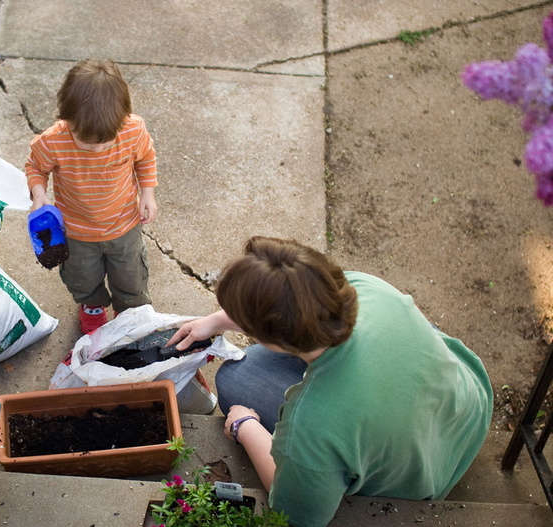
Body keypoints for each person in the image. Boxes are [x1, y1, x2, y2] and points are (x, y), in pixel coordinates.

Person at [167, 236, 492, 527]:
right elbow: (294, 304)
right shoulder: (364, 287)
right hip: (469, 407)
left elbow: (296, 514)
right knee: (246, 371)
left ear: (274, 338)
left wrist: (245, 425)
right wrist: (219, 320)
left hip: (421, 481)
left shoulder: (313, 423)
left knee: (235, 382)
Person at [26, 59, 158, 334]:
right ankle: (93, 306)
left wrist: (148, 192)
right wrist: (39, 194)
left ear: (122, 119)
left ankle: (129, 311)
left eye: (104, 142)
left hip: (124, 225)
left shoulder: (132, 130)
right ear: (67, 118)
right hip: (76, 232)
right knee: (82, 278)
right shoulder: (52, 141)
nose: (96, 149)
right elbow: (35, 167)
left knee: (131, 277)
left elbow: (145, 158)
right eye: (85, 140)